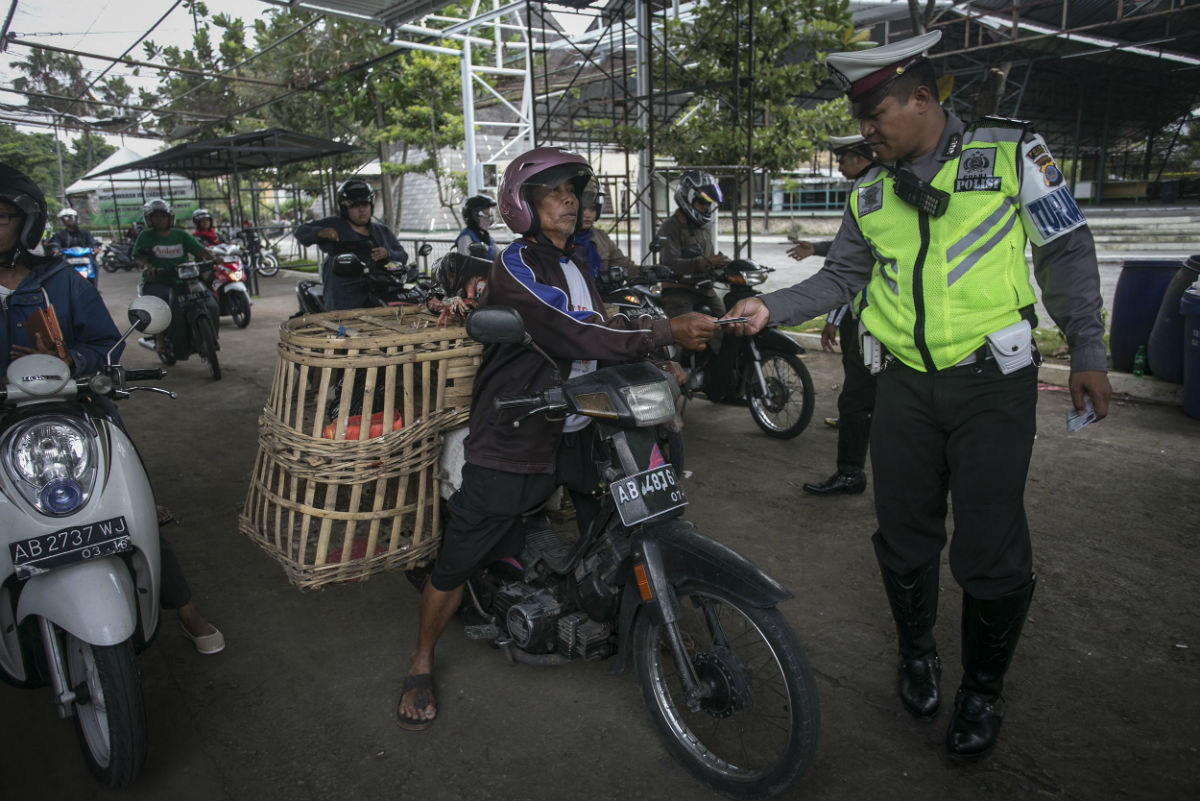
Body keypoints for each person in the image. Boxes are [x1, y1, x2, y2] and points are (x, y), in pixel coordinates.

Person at [725, 31, 1112, 759]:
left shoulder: (1010, 154)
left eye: (876, 116)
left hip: (992, 384)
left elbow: (1065, 247)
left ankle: (983, 690)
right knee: (904, 536)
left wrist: (1087, 347)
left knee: (990, 547)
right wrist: (770, 307)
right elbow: (840, 278)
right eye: (862, 119)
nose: (865, 131)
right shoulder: (870, 190)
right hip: (901, 382)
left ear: (923, 97)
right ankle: (919, 655)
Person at [395, 146, 716, 731]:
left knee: (624, 516)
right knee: (462, 554)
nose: (570, 200)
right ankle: (421, 657)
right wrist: (665, 328)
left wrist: (658, 352)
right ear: (523, 204)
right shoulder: (515, 264)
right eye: (554, 192)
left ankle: (632, 612)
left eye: (574, 190)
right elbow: (570, 328)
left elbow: (603, 319)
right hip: (519, 427)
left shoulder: (578, 261)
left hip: (579, 423)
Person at [0, 165, 223, 655]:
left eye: (1, 217)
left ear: (26, 221)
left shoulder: (58, 280)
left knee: (130, 507)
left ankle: (185, 608)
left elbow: (105, 341)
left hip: (75, 409)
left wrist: (69, 362)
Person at [786, 135, 878, 497]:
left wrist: (834, 317)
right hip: (870, 313)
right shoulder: (876, 186)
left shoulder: (872, 190)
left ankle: (851, 472)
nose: (838, 165)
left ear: (859, 157)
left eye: (842, 158)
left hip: (874, 316)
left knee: (858, 398)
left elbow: (854, 265)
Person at [293, 179, 407, 311]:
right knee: (340, 325)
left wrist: (388, 254)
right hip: (343, 296)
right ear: (345, 208)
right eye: (355, 206)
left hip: (380, 291)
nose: (361, 210)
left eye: (365, 205)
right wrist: (320, 232)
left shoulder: (383, 231)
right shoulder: (335, 224)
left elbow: (402, 256)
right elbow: (301, 231)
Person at [133, 198, 213, 357]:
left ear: (169, 217)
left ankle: (207, 335)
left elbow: (200, 250)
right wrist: (147, 266)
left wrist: (214, 259)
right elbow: (138, 256)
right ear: (149, 219)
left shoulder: (181, 235)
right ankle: (160, 340)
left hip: (183, 279)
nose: (160, 219)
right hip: (157, 281)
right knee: (161, 307)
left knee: (207, 299)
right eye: (156, 216)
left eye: (163, 216)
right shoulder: (146, 236)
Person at [656, 170, 731, 319]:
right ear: (687, 199)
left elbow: (709, 259)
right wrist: (705, 262)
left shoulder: (702, 228)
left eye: (708, 203)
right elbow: (670, 263)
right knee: (684, 335)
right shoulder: (670, 226)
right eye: (702, 202)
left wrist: (720, 264)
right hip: (679, 292)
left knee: (727, 324)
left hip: (705, 290)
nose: (706, 208)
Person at [574, 188, 636, 280]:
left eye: (593, 209)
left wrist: (647, 270)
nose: (588, 214)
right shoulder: (561, 238)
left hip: (601, 293)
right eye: (582, 209)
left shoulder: (601, 238)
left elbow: (623, 265)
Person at [455, 194, 498, 260]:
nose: (489, 217)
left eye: (490, 213)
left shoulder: (486, 237)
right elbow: (463, 263)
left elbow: (498, 256)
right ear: (473, 215)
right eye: (485, 213)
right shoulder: (466, 237)